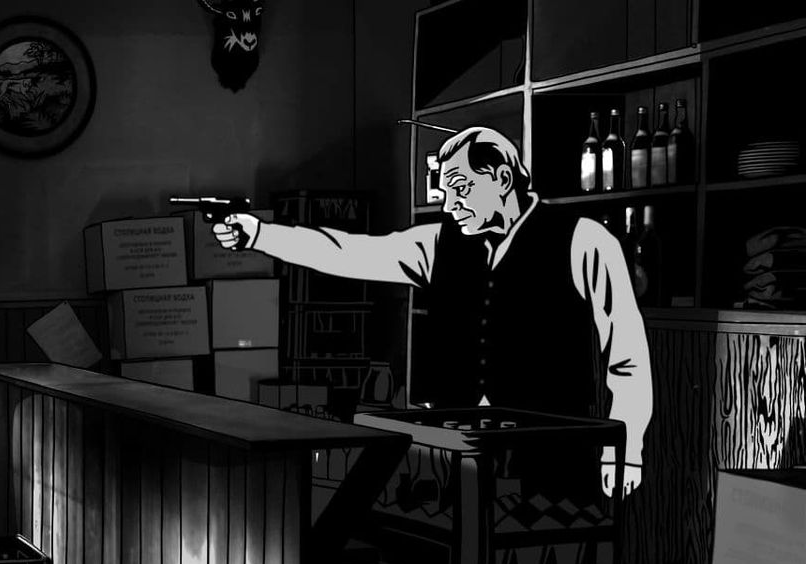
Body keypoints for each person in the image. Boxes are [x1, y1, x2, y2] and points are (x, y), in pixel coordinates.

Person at [213, 126, 652, 499]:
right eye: (446, 191)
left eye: (461, 188)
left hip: (554, 455)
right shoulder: (437, 243)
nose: (449, 204)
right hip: (459, 455)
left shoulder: (584, 241)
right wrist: (261, 235)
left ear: (502, 178)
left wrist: (626, 449)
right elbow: (347, 252)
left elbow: (627, 353)